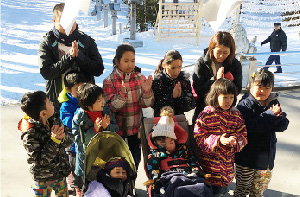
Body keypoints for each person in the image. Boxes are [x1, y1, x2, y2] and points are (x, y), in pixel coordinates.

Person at [38, 3, 104, 112]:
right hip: (58, 102)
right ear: (55, 21)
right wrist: (68, 58)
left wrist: (79, 57)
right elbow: (47, 73)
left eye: (71, 21)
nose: (68, 25)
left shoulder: (86, 41)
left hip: (86, 103)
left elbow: (98, 69)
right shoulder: (47, 43)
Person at [234, 69, 289, 196]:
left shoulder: (273, 102)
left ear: (272, 88)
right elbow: (251, 127)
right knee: (242, 189)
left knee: (258, 190)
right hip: (247, 158)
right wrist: (271, 115)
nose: (262, 91)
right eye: (259, 86)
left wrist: (280, 117)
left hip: (266, 159)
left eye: (267, 87)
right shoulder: (244, 105)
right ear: (252, 85)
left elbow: (282, 127)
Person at [103, 43, 154, 170]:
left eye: (133, 60)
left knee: (135, 161)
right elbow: (111, 107)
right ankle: (122, 188)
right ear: (117, 61)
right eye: (126, 61)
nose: (130, 65)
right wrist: (122, 95)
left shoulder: (138, 77)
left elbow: (146, 104)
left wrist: (147, 92)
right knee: (118, 163)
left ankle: (132, 187)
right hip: (118, 131)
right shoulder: (110, 81)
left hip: (136, 130)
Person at [193, 78, 247, 196]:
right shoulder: (206, 115)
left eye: (231, 97)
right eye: (225, 97)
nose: (228, 101)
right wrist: (218, 140)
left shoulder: (236, 115)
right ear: (216, 96)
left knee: (221, 192)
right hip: (208, 167)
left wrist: (236, 140)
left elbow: (243, 134)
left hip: (227, 168)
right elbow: (199, 137)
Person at [18, 91, 74, 197]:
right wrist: (54, 141)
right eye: (49, 102)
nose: (52, 103)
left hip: (59, 173)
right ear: (43, 113)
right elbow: (40, 160)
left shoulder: (54, 120)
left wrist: (62, 138)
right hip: (42, 179)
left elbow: (71, 138)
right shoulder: (30, 133)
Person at [147, 106, 210, 196]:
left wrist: (195, 170)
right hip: (170, 177)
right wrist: (156, 181)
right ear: (157, 144)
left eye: (171, 142)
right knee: (178, 191)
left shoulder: (182, 149)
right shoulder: (155, 154)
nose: (169, 146)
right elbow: (153, 169)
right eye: (164, 144)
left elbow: (192, 160)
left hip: (188, 176)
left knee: (203, 188)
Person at [72, 83, 118, 195]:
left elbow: (115, 129)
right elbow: (79, 140)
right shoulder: (79, 117)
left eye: (102, 99)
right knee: (89, 190)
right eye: (98, 101)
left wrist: (107, 127)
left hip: (104, 159)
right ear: (88, 104)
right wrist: (94, 130)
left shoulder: (105, 112)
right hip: (87, 163)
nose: (103, 102)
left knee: (105, 188)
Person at [192, 31, 242, 125]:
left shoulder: (235, 64)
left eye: (225, 52)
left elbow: (238, 89)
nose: (221, 56)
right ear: (212, 49)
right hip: (204, 111)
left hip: (226, 113)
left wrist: (228, 82)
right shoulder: (202, 63)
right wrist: (215, 80)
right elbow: (198, 89)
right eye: (218, 52)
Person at [58, 70, 86, 195]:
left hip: (86, 141)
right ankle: (76, 187)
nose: (80, 92)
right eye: (77, 89)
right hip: (73, 144)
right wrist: (80, 112)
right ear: (68, 90)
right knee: (75, 168)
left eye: (83, 87)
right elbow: (68, 122)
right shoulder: (66, 105)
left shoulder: (87, 99)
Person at [152, 50, 194, 117]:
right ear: (164, 65)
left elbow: (191, 105)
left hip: (179, 120)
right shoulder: (158, 81)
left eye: (179, 67)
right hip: (162, 121)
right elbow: (155, 105)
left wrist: (180, 97)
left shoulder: (184, 80)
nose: (176, 71)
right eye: (172, 68)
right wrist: (172, 96)